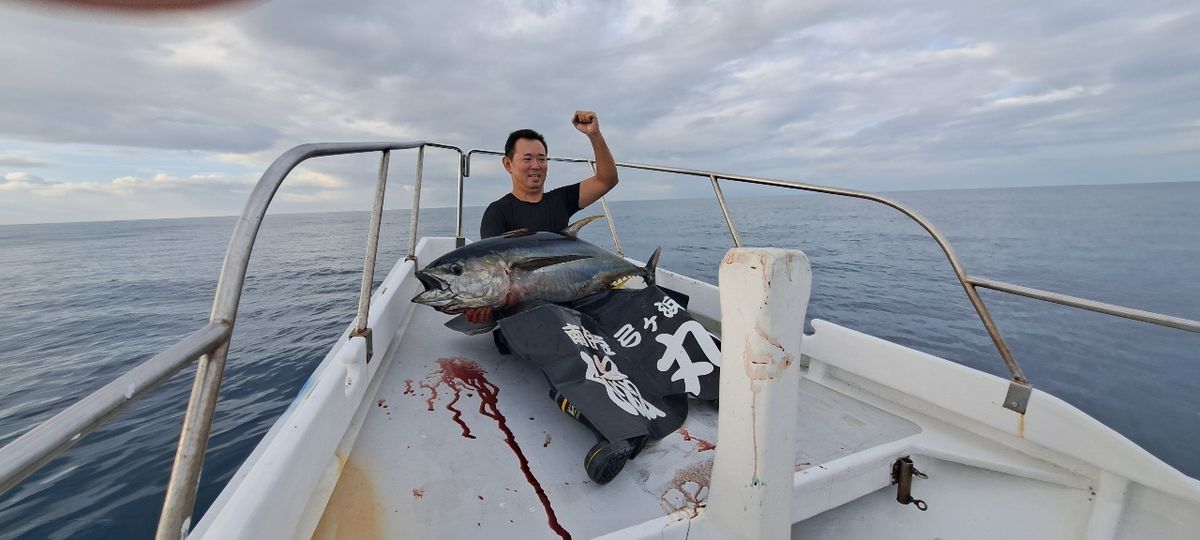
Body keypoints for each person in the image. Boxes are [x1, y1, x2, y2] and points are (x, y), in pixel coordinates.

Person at [466, 110, 619, 324]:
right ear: (508, 164)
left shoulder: (561, 200)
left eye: (542, 159)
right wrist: (484, 304)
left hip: (569, 307)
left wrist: (594, 134)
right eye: (527, 159)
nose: (536, 166)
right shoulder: (497, 212)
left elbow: (606, 180)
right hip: (527, 318)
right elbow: (494, 274)